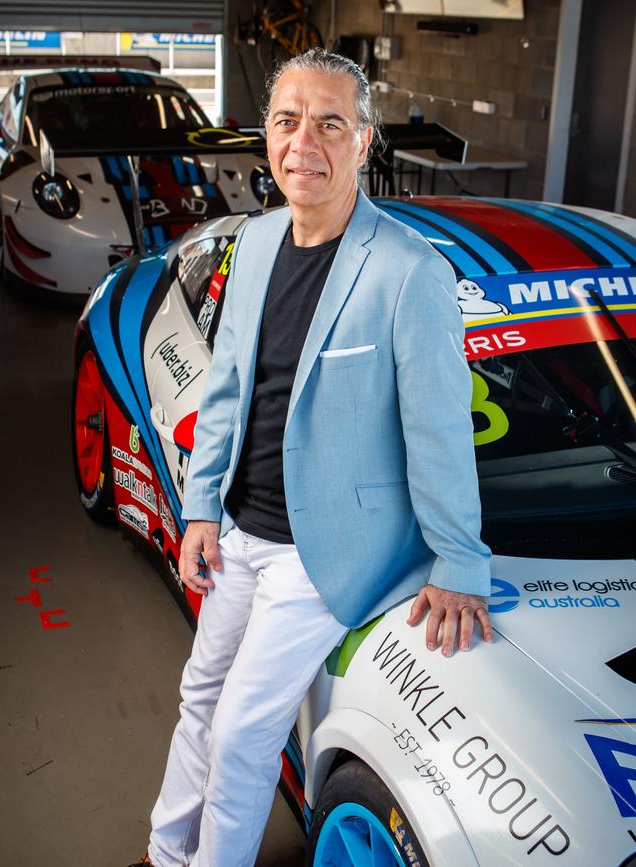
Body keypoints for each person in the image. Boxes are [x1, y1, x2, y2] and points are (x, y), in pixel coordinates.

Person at [131, 48, 492, 867]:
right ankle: (164, 851)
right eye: (289, 122)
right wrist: (198, 510)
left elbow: (439, 430)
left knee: (243, 729)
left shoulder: (407, 271)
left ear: (364, 143)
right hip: (239, 529)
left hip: (320, 552)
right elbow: (226, 389)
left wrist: (460, 558)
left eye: (332, 123)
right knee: (198, 699)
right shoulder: (255, 243)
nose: (306, 143)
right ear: (268, 137)